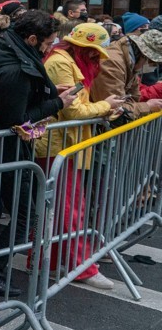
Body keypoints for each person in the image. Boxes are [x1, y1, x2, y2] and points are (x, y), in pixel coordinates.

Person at [0, 10, 78, 296]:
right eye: (48, 44)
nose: (49, 49)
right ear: (32, 39)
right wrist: (56, 102)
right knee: (24, 216)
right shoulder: (16, 69)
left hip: (1, 149)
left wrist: (46, 94)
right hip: (6, 150)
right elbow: (18, 118)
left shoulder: (5, 50)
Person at [36, 23, 124, 290]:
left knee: (61, 208)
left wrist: (104, 110)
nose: (97, 58)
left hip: (63, 144)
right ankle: (81, 266)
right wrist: (105, 106)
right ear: (82, 47)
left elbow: (78, 107)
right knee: (69, 208)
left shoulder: (67, 60)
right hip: (57, 145)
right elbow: (73, 111)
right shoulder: (62, 62)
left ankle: (47, 261)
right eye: (94, 52)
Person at [91, 28, 162, 116]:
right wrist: (147, 106)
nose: (153, 67)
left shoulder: (130, 62)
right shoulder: (113, 63)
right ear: (144, 55)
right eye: (153, 62)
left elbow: (134, 96)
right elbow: (115, 109)